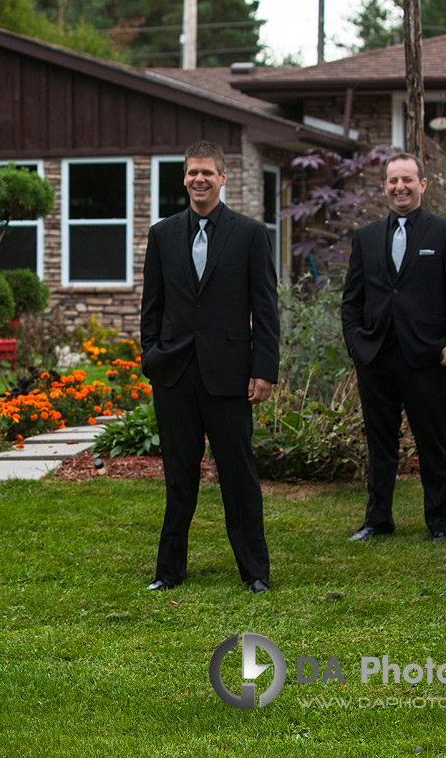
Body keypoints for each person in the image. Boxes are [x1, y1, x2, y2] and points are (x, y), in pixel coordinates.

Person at [139, 140, 280, 594]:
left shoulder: (250, 234)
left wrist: (264, 369)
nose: (199, 179)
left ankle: (255, 571)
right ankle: (168, 571)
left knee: (238, 476)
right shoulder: (162, 235)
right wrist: (152, 357)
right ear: (184, 178)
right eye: (192, 172)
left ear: (223, 179)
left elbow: (266, 307)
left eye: (208, 172)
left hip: (230, 376)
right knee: (179, 477)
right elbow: (152, 306)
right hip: (175, 376)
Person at [341, 152, 446, 543]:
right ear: (385, 187)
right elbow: (352, 300)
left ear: (423, 184)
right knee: (380, 442)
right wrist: (357, 344)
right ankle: (378, 520)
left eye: (408, 180)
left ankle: (441, 523)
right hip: (375, 356)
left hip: (424, 355)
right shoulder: (366, 236)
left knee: (432, 440)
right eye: (393, 180)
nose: (400, 187)